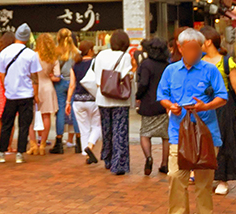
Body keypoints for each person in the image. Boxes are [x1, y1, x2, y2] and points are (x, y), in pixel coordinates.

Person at [157, 28, 228, 214]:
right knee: (175, 176)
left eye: (197, 49)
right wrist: (171, 105)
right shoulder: (170, 71)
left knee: (204, 181)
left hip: (206, 133)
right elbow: (162, 95)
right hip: (178, 132)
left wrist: (205, 107)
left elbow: (222, 97)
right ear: (180, 48)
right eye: (190, 49)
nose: (195, 53)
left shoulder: (210, 70)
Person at [199, 27, 236, 195]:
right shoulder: (198, 61)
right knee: (204, 141)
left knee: (224, 140)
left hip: (223, 106)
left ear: (207, 41)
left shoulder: (227, 61)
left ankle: (223, 178)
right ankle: (206, 174)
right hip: (203, 105)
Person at [87, 30, 135, 175]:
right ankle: (118, 164)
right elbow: (127, 76)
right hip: (120, 98)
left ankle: (107, 159)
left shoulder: (101, 55)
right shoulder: (125, 56)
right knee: (120, 130)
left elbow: (96, 76)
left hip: (103, 97)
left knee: (107, 131)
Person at [0, 24, 42, 164]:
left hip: (11, 94)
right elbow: (34, 77)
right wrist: (36, 94)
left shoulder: (5, 52)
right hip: (26, 94)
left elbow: (1, 74)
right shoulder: (31, 54)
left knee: (6, 123)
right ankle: (20, 153)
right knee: (24, 125)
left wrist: (6, 87)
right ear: (27, 38)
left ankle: (1, 152)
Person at [135, 37, 169, 176]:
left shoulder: (146, 64)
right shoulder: (167, 65)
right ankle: (164, 164)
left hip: (148, 104)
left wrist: (138, 96)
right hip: (164, 104)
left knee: (145, 133)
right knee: (166, 136)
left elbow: (143, 83)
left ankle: (148, 157)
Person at [67, 41, 101, 164]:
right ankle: (90, 147)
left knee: (84, 128)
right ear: (91, 50)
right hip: (93, 99)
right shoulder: (95, 62)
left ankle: (86, 154)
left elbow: (72, 85)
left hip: (78, 100)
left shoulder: (75, 64)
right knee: (97, 126)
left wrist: (67, 102)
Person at [31, 33, 61, 156]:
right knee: (46, 116)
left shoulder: (33, 56)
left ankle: (33, 145)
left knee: (31, 118)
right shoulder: (53, 57)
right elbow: (57, 76)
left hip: (34, 87)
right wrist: (51, 76)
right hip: (48, 86)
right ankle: (43, 144)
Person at [53, 29, 79, 154]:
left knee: (60, 111)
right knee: (74, 111)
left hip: (60, 82)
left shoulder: (56, 52)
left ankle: (59, 142)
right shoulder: (77, 52)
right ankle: (79, 141)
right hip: (73, 82)